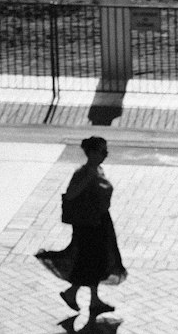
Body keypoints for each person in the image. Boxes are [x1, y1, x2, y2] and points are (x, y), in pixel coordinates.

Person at [36, 135, 126, 317]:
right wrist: (88, 179)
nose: (106, 154)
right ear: (91, 153)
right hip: (87, 225)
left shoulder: (98, 169)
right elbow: (70, 195)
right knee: (90, 260)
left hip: (100, 221)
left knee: (96, 260)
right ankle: (82, 297)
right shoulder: (83, 173)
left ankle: (89, 298)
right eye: (102, 151)